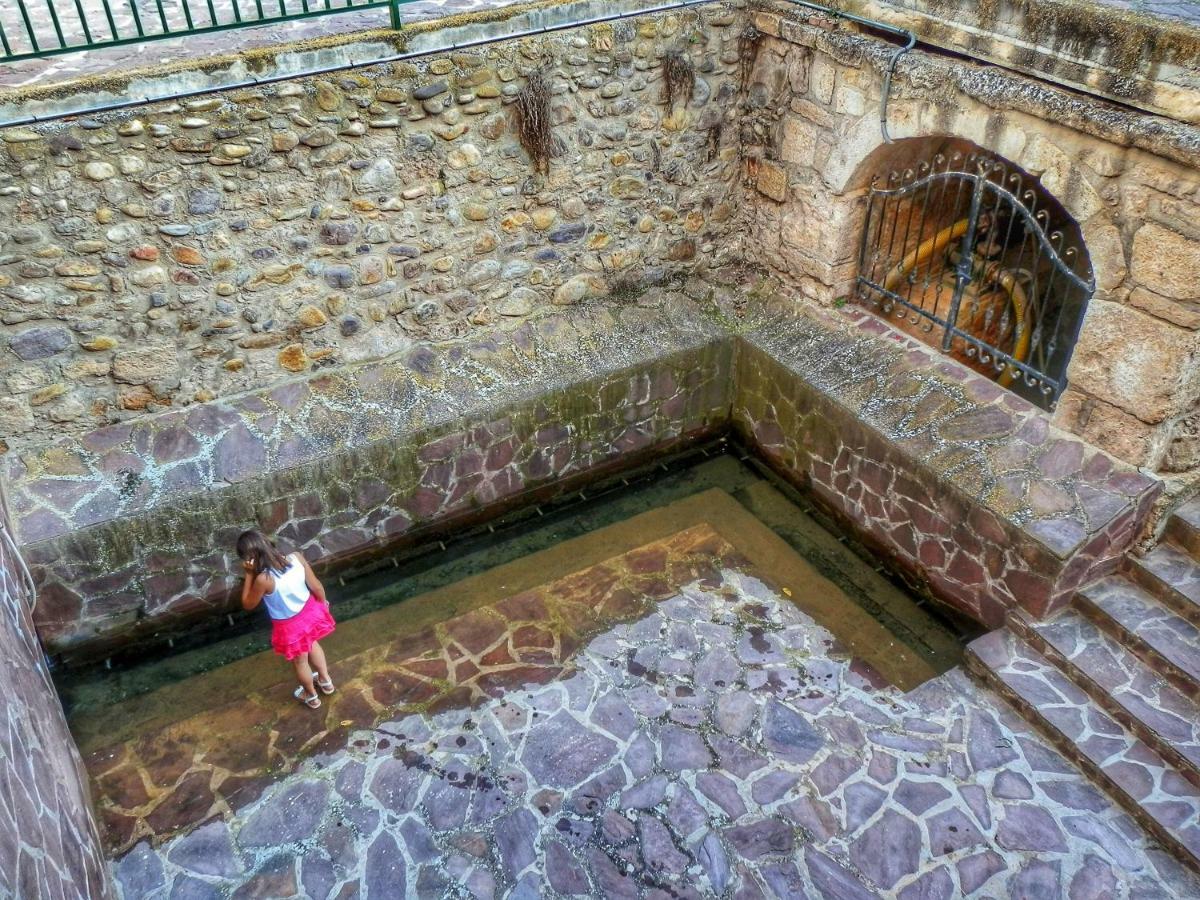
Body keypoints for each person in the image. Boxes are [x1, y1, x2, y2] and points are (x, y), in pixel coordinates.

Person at [236, 529, 337, 709]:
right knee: (313, 644)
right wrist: (323, 603)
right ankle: (326, 681)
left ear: (249, 558)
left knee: (300, 661)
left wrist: (249, 574)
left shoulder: (263, 579)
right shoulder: (295, 557)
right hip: (310, 610)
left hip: (290, 625)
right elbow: (316, 586)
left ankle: (311, 696)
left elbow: (248, 604)